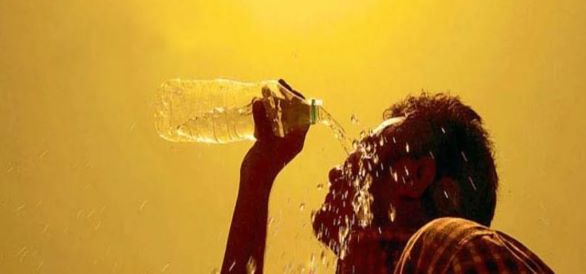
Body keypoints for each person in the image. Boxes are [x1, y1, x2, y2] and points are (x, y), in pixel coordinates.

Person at [221, 80, 552, 273]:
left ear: (414, 176)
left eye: (366, 152)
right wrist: (258, 174)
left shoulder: (446, 247)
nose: (336, 172)